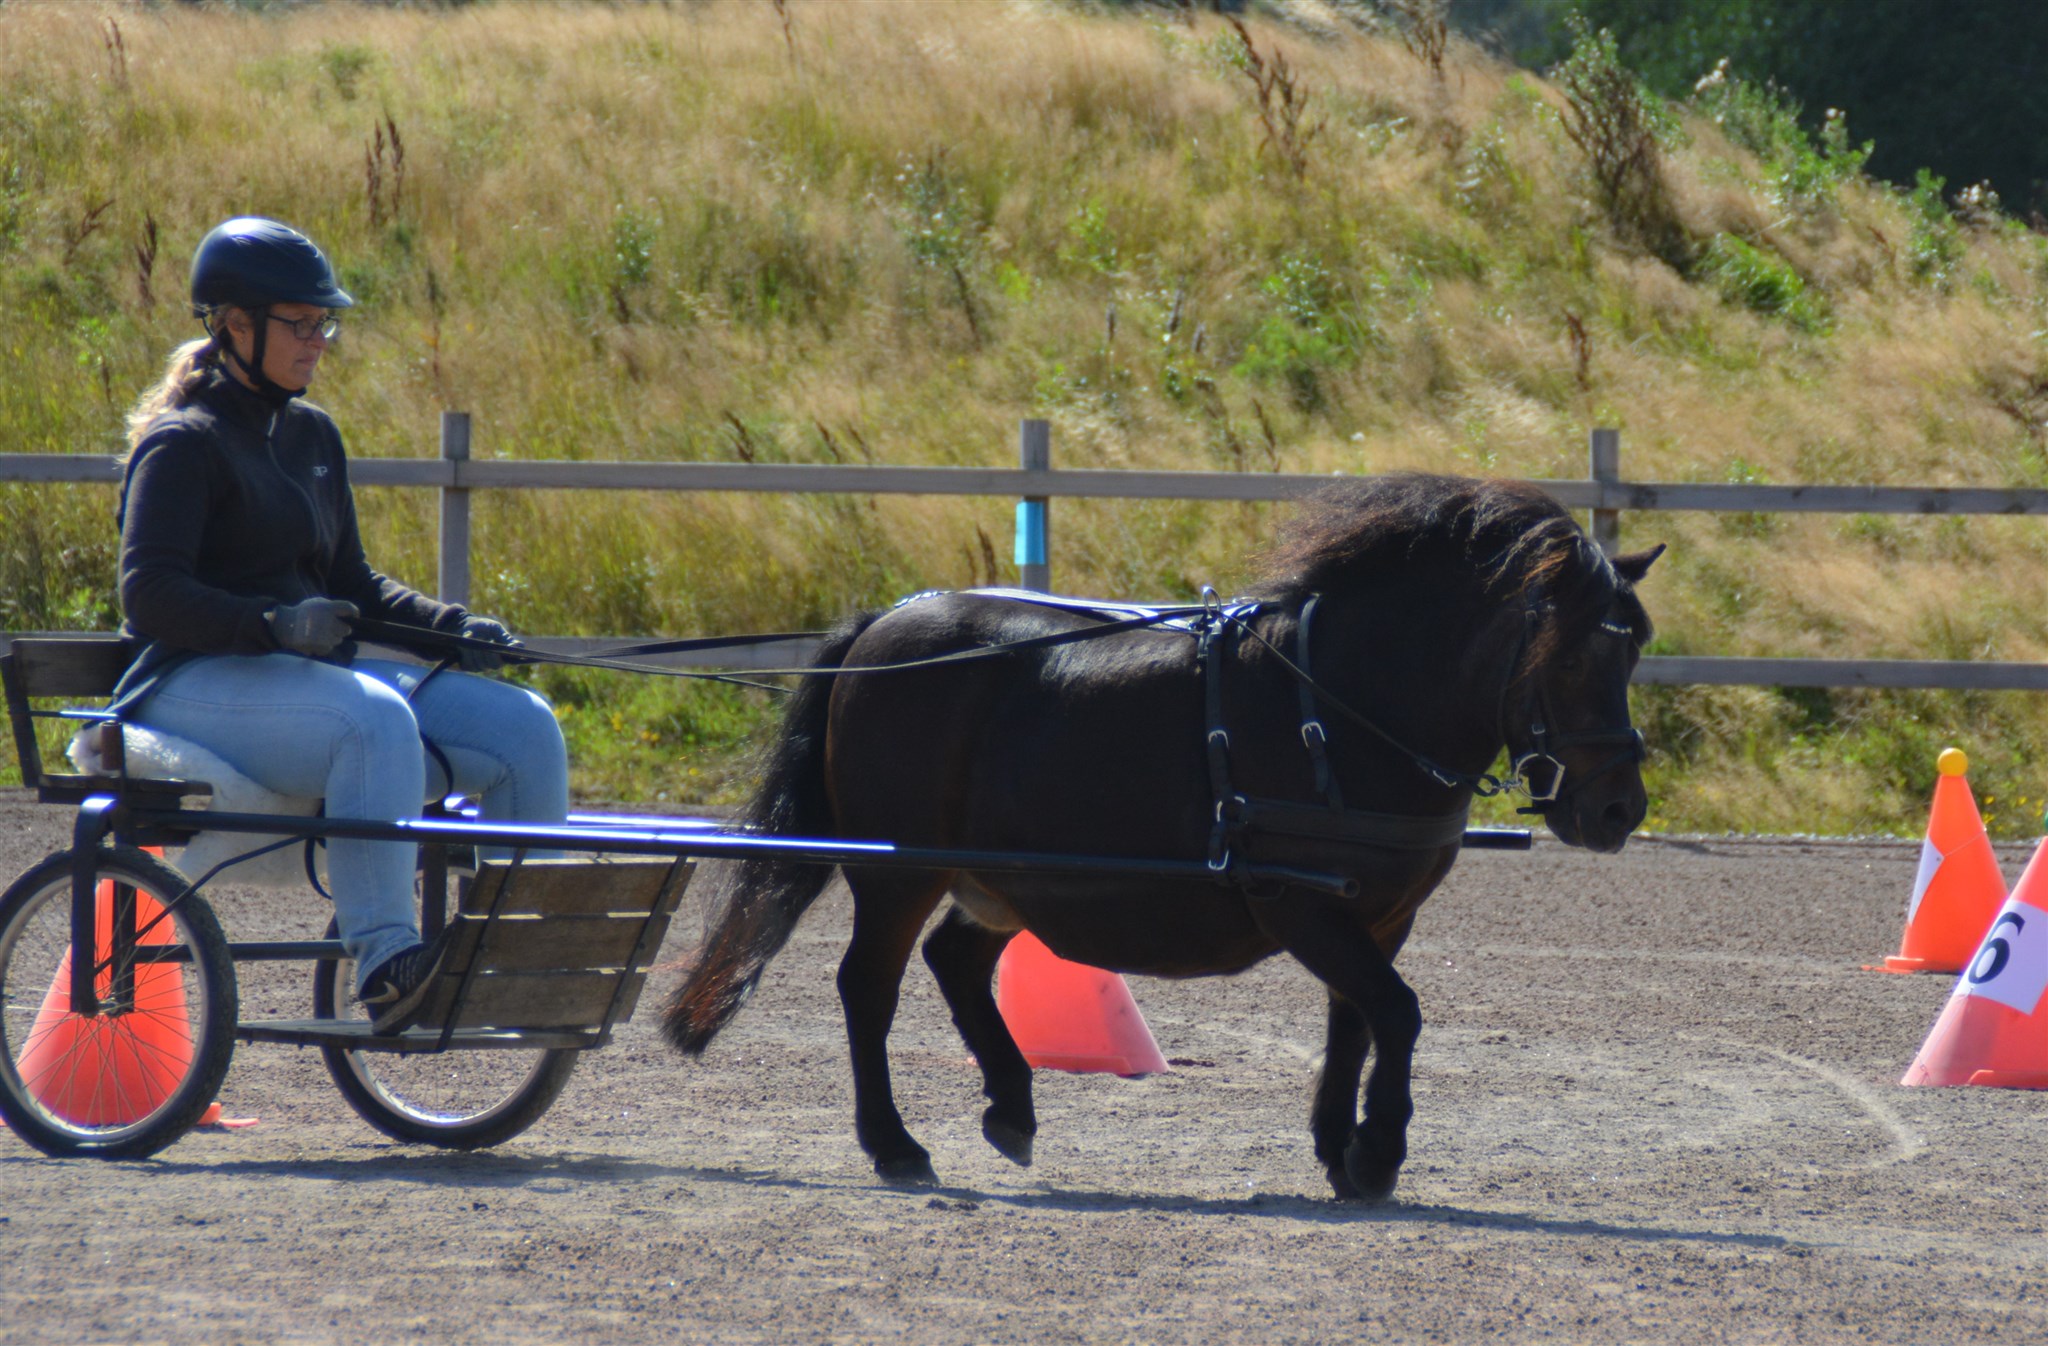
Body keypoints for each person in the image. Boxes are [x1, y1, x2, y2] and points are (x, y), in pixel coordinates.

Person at [110, 217, 569, 1032]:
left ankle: (523, 957)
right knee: (374, 719)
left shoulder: (312, 435)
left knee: (525, 728)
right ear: (233, 324)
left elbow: (356, 585)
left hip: (305, 683)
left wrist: (455, 629)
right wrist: (275, 623)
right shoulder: (184, 444)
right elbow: (149, 594)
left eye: (325, 323)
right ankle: (389, 960)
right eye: (301, 322)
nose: (318, 340)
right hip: (190, 682)